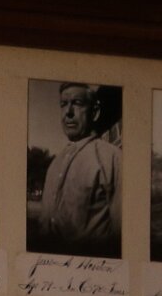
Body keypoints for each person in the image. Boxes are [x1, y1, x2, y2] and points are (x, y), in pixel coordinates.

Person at [32, 82, 121, 256]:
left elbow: (122, 236)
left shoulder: (111, 158)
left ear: (94, 112)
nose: (68, 112)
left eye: (77, 103)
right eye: (63, 104)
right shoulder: (55, 163)